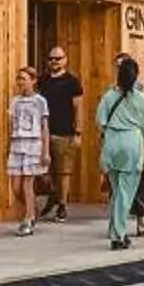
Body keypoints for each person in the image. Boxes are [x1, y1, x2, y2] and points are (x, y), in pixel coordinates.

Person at [96, 53, 144, 249]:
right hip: (131, 143)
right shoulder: (140, 98)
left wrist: (110, 134)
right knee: (126, 193)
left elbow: (100, 122)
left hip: (111, 143)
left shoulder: (109, 96)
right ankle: (118, 236)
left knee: (117, 191)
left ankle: (114, 228)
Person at [37, 45, 83, 220]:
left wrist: (78, 131)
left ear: (65, 59)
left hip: (65, 132)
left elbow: (78, 107)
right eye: (51, 59)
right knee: (44, 171)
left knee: (64, 171)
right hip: (44, 132)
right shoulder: (43, 80)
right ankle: (52, 195)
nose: (54, 62)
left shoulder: (72, 81)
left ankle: (62, 204)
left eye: (58, 58)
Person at [4, 65, 51, 233]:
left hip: (33, 143)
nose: (20, 82)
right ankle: (32, 208)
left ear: (33, 81)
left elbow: (45, 127)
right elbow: (10, 125)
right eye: (19, 79)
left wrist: (45, 151)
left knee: (27, 183)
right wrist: (8, 146)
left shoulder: (40, 101)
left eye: (24, 79)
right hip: (17, 143)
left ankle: (28, 218)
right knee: (16, 186)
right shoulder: (14, 101)